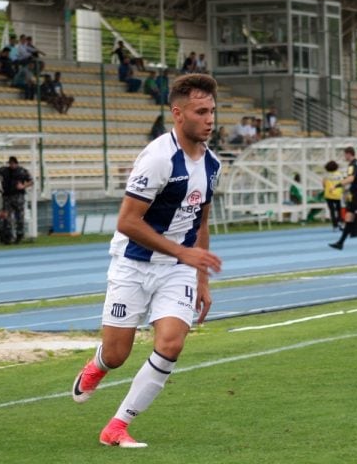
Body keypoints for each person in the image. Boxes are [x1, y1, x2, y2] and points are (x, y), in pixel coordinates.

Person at [70, 73, 222, 448]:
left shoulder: (212, 164)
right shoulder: (157, 159)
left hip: (177, 269)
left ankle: (117, 426)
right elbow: (126, 221)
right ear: (178, 114)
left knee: (171, 343)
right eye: (201, 111)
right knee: (118, 354)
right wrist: (182, 251)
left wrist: (201, 278)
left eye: (213, 111)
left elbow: (200, 220)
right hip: (133, 264)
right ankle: (98, 365)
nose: (209, 119)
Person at [322, 160, 343, 230]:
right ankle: (340, 222)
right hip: (337, 194)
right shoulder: (339, 174)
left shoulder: (326, 175)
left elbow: (323, 184)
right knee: (339, 210)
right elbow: (342, 183)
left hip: (328, 194)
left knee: (332, 211)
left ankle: (335, 225)